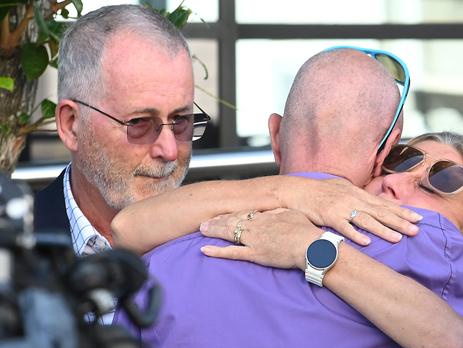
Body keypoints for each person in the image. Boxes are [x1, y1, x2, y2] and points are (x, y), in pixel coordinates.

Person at [114, 48, 463, 348]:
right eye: (400, 159)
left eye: (444, 181)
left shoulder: (165, 262)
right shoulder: (419, 244)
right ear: (380, 155)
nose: (398, 182)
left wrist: (312, 247)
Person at [34, 4, 418, 325]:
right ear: (71, 125)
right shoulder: (16, 247)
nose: (169, 150)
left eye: (182, 121)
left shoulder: (233, 238)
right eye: (139, 124)